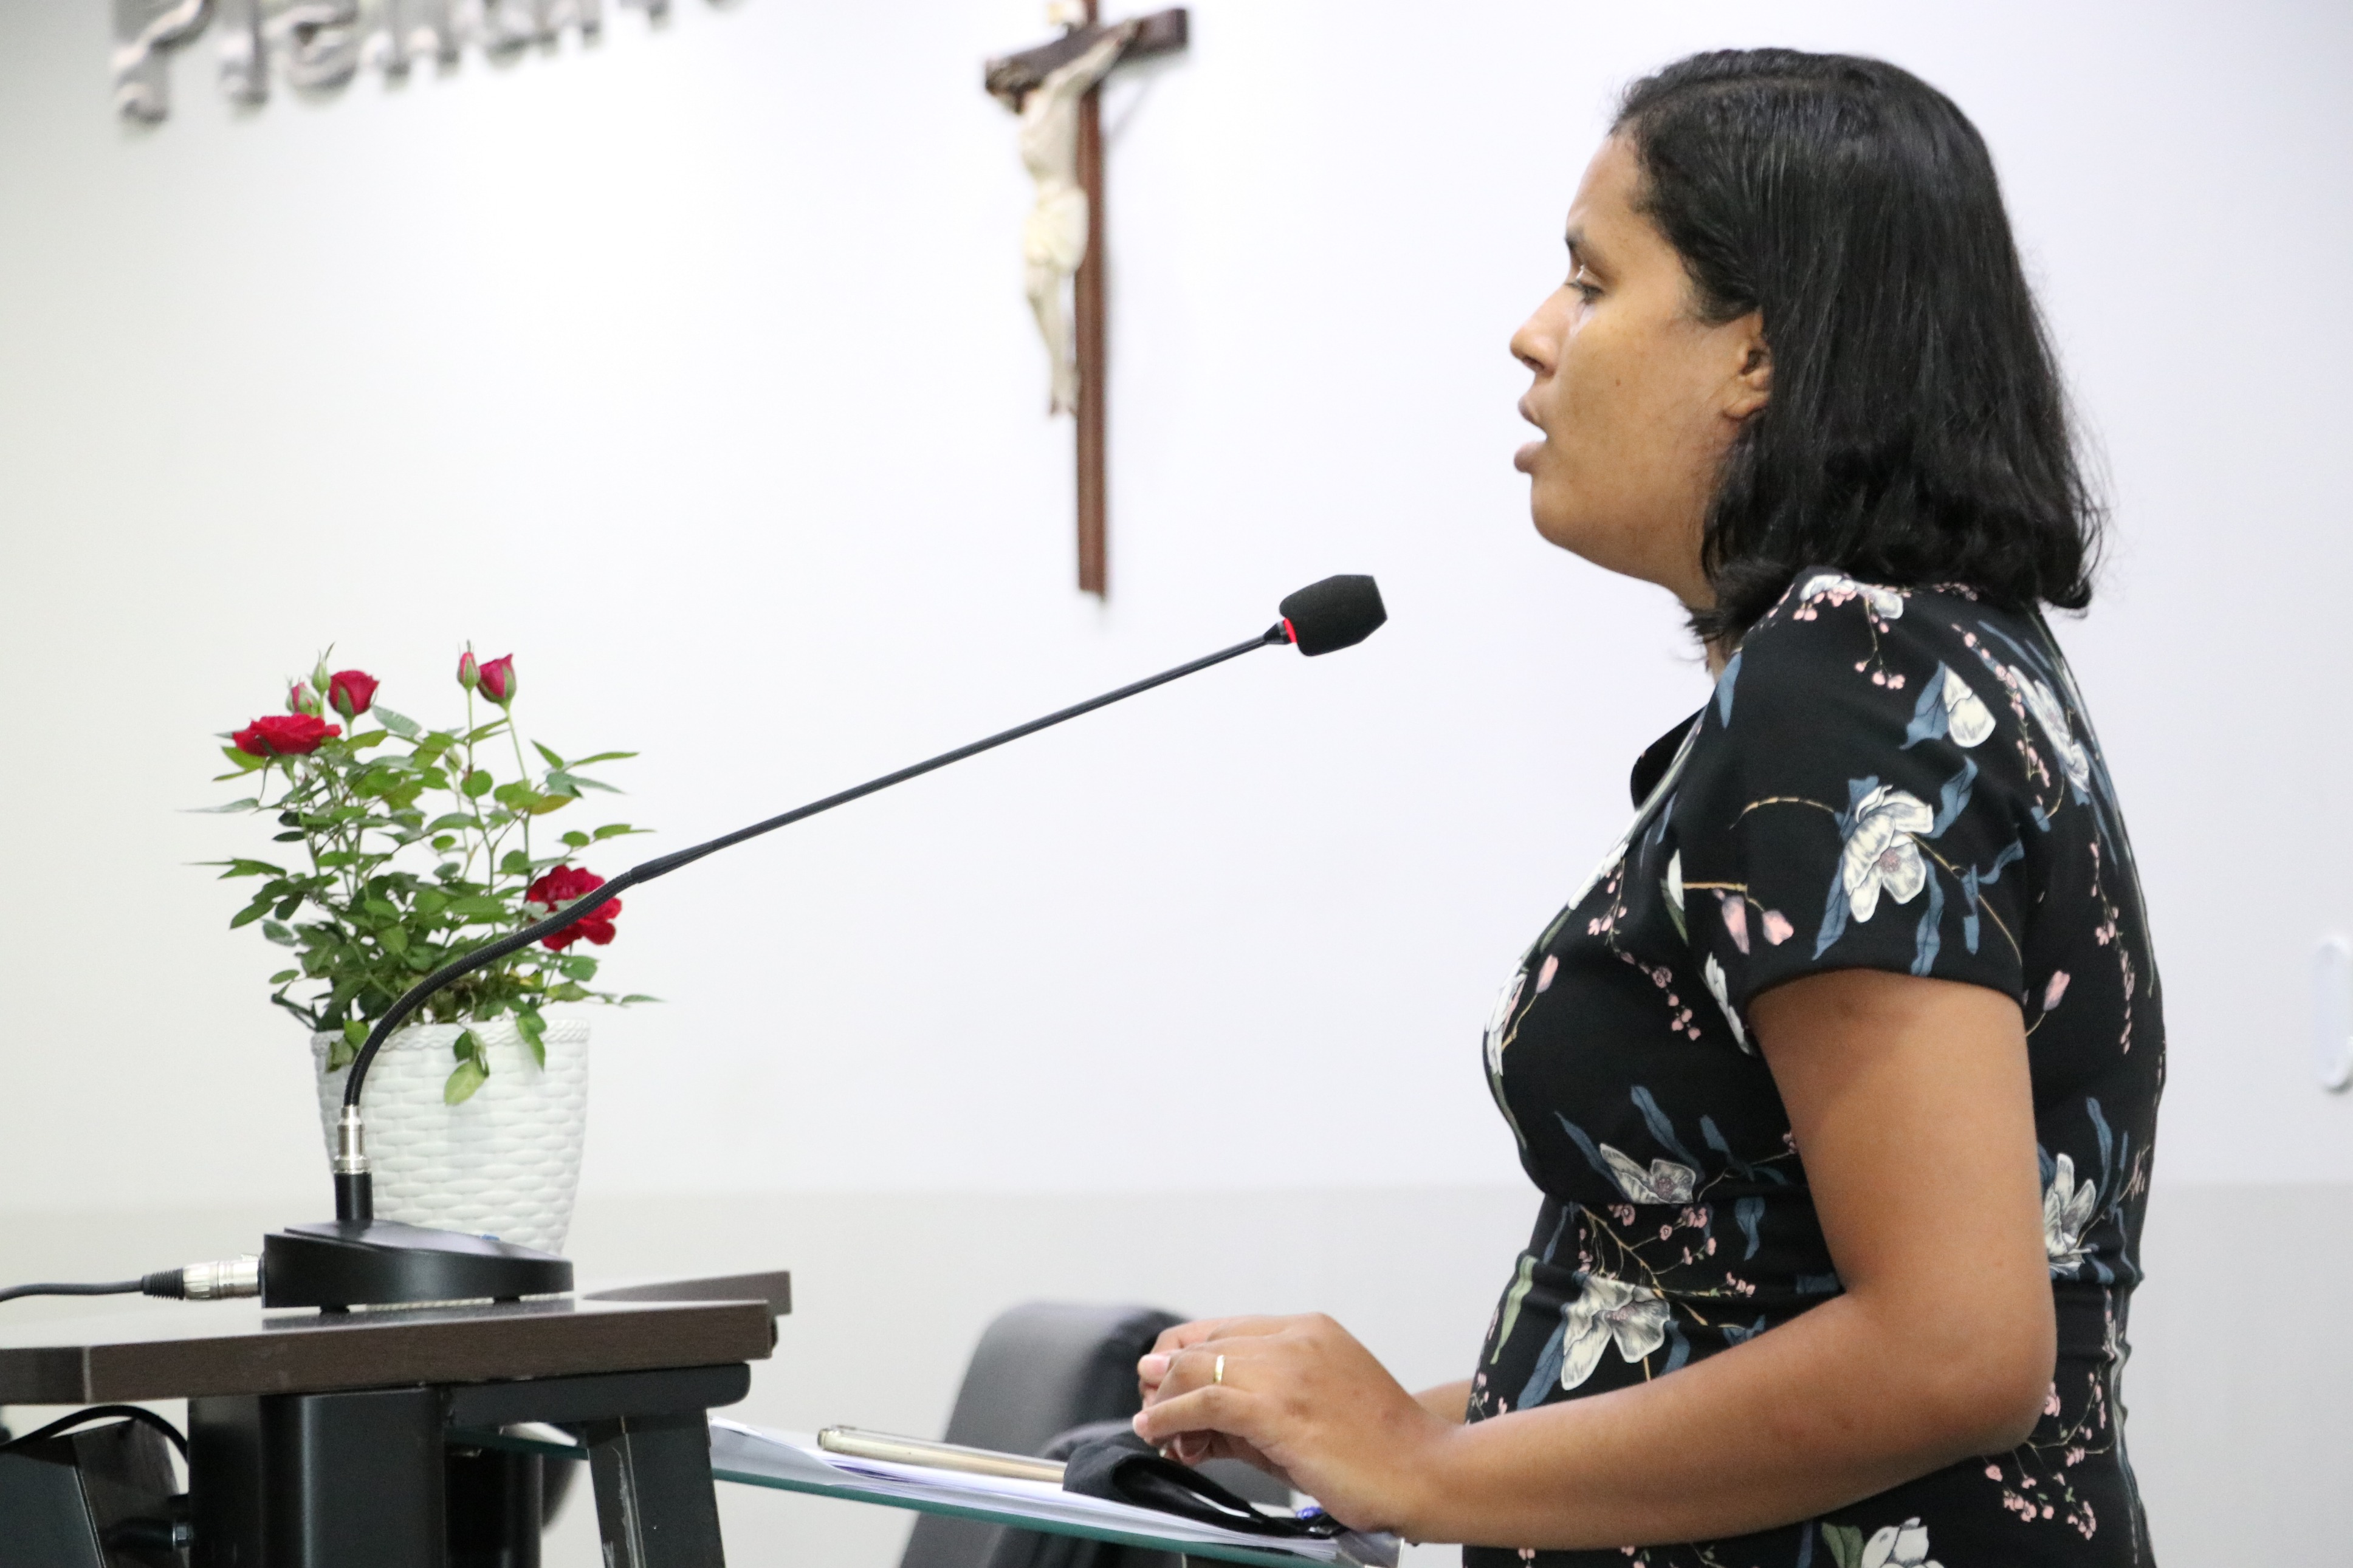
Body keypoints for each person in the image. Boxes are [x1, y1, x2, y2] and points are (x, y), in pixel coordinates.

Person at [1132, 49, 2161, 1568]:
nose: (1532, 333)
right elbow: (1748, 1303)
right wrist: (1371, 1437)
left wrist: (1423, 1464)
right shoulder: (1928, 660)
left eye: (1590, 280)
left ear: (1758, 349)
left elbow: (1952, 1351)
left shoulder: (1846, 685)